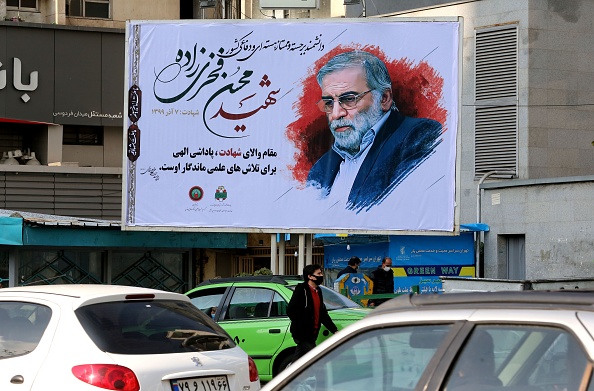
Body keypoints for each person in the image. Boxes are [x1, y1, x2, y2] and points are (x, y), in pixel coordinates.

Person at [307, 50, 443, 212]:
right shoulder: (320, 169)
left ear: (384, 99)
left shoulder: (419, 136)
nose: (336, 114)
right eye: (329, 103)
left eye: (349, 99)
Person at [287, 264, 338, 363]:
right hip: (302, 334)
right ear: (310, 276)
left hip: (313, 333)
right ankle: (321, 378)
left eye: (321, 273)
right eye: (318, 273)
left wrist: (334, 330)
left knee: (298, 361)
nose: (321, 275)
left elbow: (322, 313)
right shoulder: (302, 290)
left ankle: (290, 377)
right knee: (317, 359)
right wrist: (301, 325)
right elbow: (291, 310)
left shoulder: (318, 291)